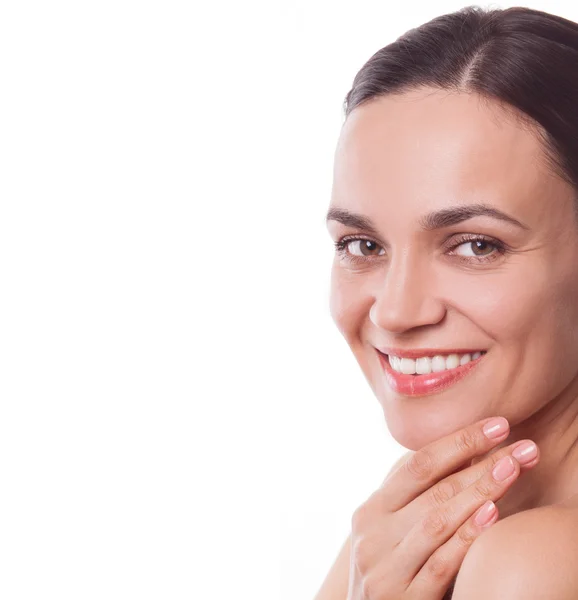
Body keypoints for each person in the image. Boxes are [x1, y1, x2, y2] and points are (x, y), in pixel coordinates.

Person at [315, 4, 578, 599]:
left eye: (477, 245)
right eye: (362, 243)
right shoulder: (404, 534)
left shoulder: (531, 562)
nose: (396, 312)